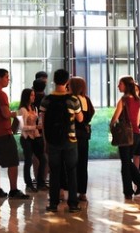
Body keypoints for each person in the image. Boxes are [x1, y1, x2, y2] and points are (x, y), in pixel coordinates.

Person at [0, 68, 30, 200]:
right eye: (6, 77)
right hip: (2, 132)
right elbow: (5, 114)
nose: (8, 80)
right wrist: (16, 114)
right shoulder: (0, 94)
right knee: (13, 162)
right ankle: (14, 190)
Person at [39, 69, 82, 213]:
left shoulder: (47, 100)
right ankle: (73, 204)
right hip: (70, 140)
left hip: (53, 141)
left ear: (54, 80)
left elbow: (43, 122)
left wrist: (46, 141)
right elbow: (80, 118)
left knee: (55, 172)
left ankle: (53, 204)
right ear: (67, 82)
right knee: (72, 172)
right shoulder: (73, 100)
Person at [110, 75, 140, 200]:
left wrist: (112, 127)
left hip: (126, 135)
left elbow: (115, 118)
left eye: (120, 84)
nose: (118, 86)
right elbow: (137, 121)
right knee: (127, 162)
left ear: (126, 85)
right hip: (136, 134)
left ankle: (130, 190)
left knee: (125, 164)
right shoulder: (138, 99)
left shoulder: (124, 100)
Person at [67, 76, 95, 202]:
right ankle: (82, 192)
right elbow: (92, 112)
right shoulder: (86, 99)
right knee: (83, 163)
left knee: (72, 163)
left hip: (74, 134)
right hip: (84, 134)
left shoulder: (73, 99)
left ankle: (72, 190)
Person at [18, 88, 47, 193]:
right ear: (26, 97)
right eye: (31, 95)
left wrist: (38, 127)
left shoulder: (34, 108)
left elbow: (36, 122)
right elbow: (21, 127)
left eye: (34, 95)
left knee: (43, 159)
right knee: (28, 161)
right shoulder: (21, 110)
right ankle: (29, 184)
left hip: (35, 136)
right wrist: (34, 128)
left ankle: (40, 182)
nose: (33, 97)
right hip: (26, 138)